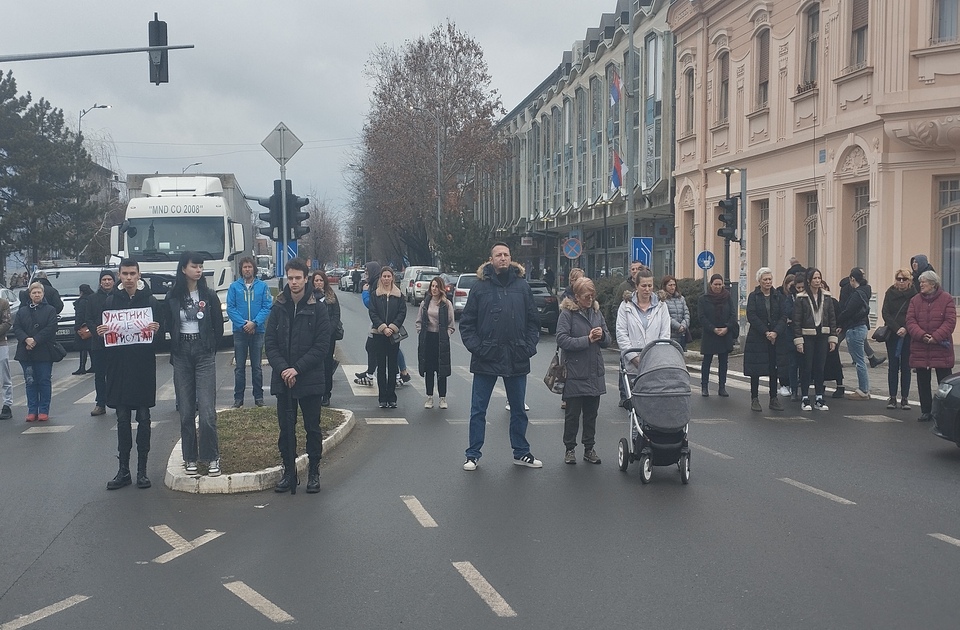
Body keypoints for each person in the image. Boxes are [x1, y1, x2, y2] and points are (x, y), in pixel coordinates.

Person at [460, 242, 542, 471]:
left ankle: (521, 452)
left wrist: (528, 347)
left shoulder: (522, 286)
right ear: (491, 259)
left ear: (511, 258)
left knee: (518, 410)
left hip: (516, 356)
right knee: (478, 410)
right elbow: (466, 324)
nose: (503, 258)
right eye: (498, 255)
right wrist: (479, 348)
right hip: (486, 357)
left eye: (506, 254)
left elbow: (533, 322)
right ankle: (473, 454)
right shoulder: (479, 287)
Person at [265, 258, 331, 494]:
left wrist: (297, 369)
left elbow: (322, 346)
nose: (294, 282)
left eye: (298, 278)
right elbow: (270, 343)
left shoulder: (318, 307)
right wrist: (284, 369)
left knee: (312, 428)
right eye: (290, 278)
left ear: (306, 279)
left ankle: (313, 471)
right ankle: (288, 471)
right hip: (284, 379)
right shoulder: (279, 305)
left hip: (309, 378)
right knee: (286, 429)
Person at [99, 259, 163, 490]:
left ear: (138, 275)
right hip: (119, 369)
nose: (128, 277)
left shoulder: (151, 301)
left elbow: (162, 334)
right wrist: (102, 332)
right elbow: (104, 338)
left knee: (144, 419)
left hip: (143, 368)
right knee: (122, 419)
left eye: (132, 273)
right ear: (119, 275)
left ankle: (142, 471)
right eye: (124, 273)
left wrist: (157, 329)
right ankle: (123, 470)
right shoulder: (110, 301)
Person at [167, 252, 224, 476]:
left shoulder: (209, 296)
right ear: (183, 269)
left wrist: (210, 346)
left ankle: (212, 458)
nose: (198, 270)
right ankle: (190, 457)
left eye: (201, 266)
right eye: (194, 266)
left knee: (208, 411)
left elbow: (218, 327)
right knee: (186, 411)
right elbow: (167, 322)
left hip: (203, 354)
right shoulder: (173, 296)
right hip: (181, 354)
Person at [557, 277, 610, 464]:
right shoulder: (567, 314)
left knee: (591, 415)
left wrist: (602, 335)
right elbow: (562, 340)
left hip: (594, 372)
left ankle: (589, 448)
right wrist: (586, 340)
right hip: (575, 373)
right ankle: (569, 449)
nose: (590, 299)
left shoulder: (596, 312)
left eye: (592, 295)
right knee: (572, 415)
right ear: (577, 297)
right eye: (586, 296)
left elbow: (607, 340)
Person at [906, 270, 956, 422]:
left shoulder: (946, 299)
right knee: (923, 381)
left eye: (924, 282)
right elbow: (910, 321)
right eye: (920, 282)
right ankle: (926, 410)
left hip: (941, 346)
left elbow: (950, 321)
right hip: (921, 346)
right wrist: (921, 335)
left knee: (945, 382)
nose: (921, 285)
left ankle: (945, 412)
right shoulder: (915, 300)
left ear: (933, 284)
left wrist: (936, 337)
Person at [616, 267, 672, 400]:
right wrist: (634, 358)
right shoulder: (626, 306)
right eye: (643, 286)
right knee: (634, 403)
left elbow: (665, 334)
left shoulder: (661, 306)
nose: (647, 289)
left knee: (653, 403)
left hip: (654, 364)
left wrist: (655, 358)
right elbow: (622, 334)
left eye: (650, 285)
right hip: (632, 366)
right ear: (636, 286)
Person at [227, 256, 272, 408]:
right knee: (239, 367)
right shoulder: (234, 287)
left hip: (257, 331)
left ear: (254, 269)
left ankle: (258, 398)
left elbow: (266, 307)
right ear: (241, 269)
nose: (247, 269)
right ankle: (238, 399)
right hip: (240, 332)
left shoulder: (263, 286)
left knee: (257, 367)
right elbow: (230, 308)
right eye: (245, 267)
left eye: (250, 267)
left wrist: (254, 323)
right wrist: (243, 324)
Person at [793, 268, 838, 411]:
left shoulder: (827, 297)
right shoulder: (801, 298)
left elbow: (832, 318)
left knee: (820, 367)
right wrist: (799, 340)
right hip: (807, 335)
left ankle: (819, 396)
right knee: (807, 367)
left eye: (819, 278)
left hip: (822, 335)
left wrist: (833, 338)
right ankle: (805, 397)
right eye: (815, 278)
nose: (818, 281)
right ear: (809, 280)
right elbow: (797, 321)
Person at [12, 282, 57, 422]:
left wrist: (35, 340)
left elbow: (51, 328)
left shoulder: (50, 310)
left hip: (43, 352)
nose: (37, 295)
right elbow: (17, 328)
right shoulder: (22, 311)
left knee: (44, 380)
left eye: (39, 292)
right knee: (30, 382)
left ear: (43, 294)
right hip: (26, 353)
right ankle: (32, 410)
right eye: (34, 293)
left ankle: (43, 410)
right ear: (29, 295)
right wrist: (26, 339)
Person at [743, 268, 787, 412]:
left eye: (769, 279)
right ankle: (754, 398)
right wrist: (766, 332)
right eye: (765, 280)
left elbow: (783, 316)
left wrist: (775, 332)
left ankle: (773, 398)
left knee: (774, 369)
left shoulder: (778, 296)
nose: (768, 282)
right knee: (755, 369)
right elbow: (752, 315)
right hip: (758, 338)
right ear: (759, 281)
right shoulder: (753, 296)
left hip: (775, 338)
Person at [368, 266, 406, 409]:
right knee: (381, 367)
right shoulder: (375, 295)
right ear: (380, 278)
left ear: (392, 278)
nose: (386, 279)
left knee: (392, 366)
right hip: (379, 334)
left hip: (393, 335)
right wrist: (383, 327)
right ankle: (382, 398)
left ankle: (392, 397)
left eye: (388, 276)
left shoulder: (399, 295)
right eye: (384, 276)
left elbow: (402, 312)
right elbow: (373, 313)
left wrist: (393, 327)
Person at [880, 268, 917, 410]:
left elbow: (914, 314)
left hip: (908, 334)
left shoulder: (914, 295)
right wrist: (897, 328)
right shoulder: (890, 292)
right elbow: (885, 312)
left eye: (904, 279)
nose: (901, 282)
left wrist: (906, 328)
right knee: (893, 366)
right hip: (893, 333)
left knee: (906, 367)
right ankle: (893, 397)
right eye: (898, 279)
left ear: (909, 281)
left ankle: (905, 398)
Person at [417, 276, 454, 410]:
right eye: (432, 286)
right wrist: (421, 332)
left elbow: (451, 324)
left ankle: (442, 398)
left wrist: (446, 335)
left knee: (441, 370)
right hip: (428, 339)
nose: (434, 289)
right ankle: (429, 397)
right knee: (429, 369)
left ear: (441, 288)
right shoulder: (425, 303)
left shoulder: (446, 304)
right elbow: (419, 321)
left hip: (441, 339)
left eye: (437, 286)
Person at [697, 274, 738, 397]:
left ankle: (722, 387)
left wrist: (727, 328)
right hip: (710, 334)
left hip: (725, 333)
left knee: (723, 361)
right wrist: (713, 329)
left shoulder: (727, 297)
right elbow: (702, 317)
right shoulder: (703, 299)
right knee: (707, 361)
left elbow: (732, 314)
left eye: (720, 284)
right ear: (711, 284)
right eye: (716, 284)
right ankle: (704, 386)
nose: (718, 287)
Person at [836, 268, 872, 400]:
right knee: (860, 360)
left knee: (859, 361)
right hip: (861, 326)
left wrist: (838, 321)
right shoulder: (866, 291)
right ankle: (865, 389)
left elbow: (848, 311)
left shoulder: (857, 294)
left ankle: (863, 390)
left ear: (852, 279)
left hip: (855, 328)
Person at [87, 270, 116, 416]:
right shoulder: (92, 299)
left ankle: (117, 401)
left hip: (117, 342)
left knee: (116, 373)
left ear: (113, 281)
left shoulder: (119, 296)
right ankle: (100, 403)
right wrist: (96, 331)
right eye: (104, 279)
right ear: (100, 282)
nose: (106, 282)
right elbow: (89, 318)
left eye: (109, 279)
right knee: (100, 375)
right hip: (98, 343)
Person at [311, 270, 341, 407]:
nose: (318, 283)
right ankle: (315, 392)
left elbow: (336, 315)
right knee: (314, 365)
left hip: (328, 337)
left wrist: (329, 330)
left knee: (327, 365)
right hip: (312, 337)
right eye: (316, 280)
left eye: (320, 280)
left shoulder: (331, 296)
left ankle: (326, 394)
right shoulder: (309, 297)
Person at [776, 274, 801, 400]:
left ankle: (798, 386)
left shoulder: (804, 297)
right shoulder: (785, 297)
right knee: (789, 362)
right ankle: (789, 385)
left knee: (802, 363)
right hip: (787, 333)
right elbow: (786, 312)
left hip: (801, 332)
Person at [660, 275, 690, 350]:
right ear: (665, 286)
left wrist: (683, 325)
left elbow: (686, 314)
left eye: (674, 285)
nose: (672, 287)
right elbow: (665, 316)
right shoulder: (662, 300)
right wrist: (677, 326)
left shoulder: (681, 298)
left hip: (681, 335)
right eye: (670, 285)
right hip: (669, 334)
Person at [72, 284, 94, 375]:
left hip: (82, 328)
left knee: (83, 349)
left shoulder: (81, 302)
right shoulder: (92, 299)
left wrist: (77, 327)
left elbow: (79, 315)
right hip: (90, 328)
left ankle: (82, 367)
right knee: (90, 348)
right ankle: (94, 366)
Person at [0, 296, 13, 420]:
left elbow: (7, 322)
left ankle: (7, 405)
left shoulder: (3, 303)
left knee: (4, 377)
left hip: (1, 344)